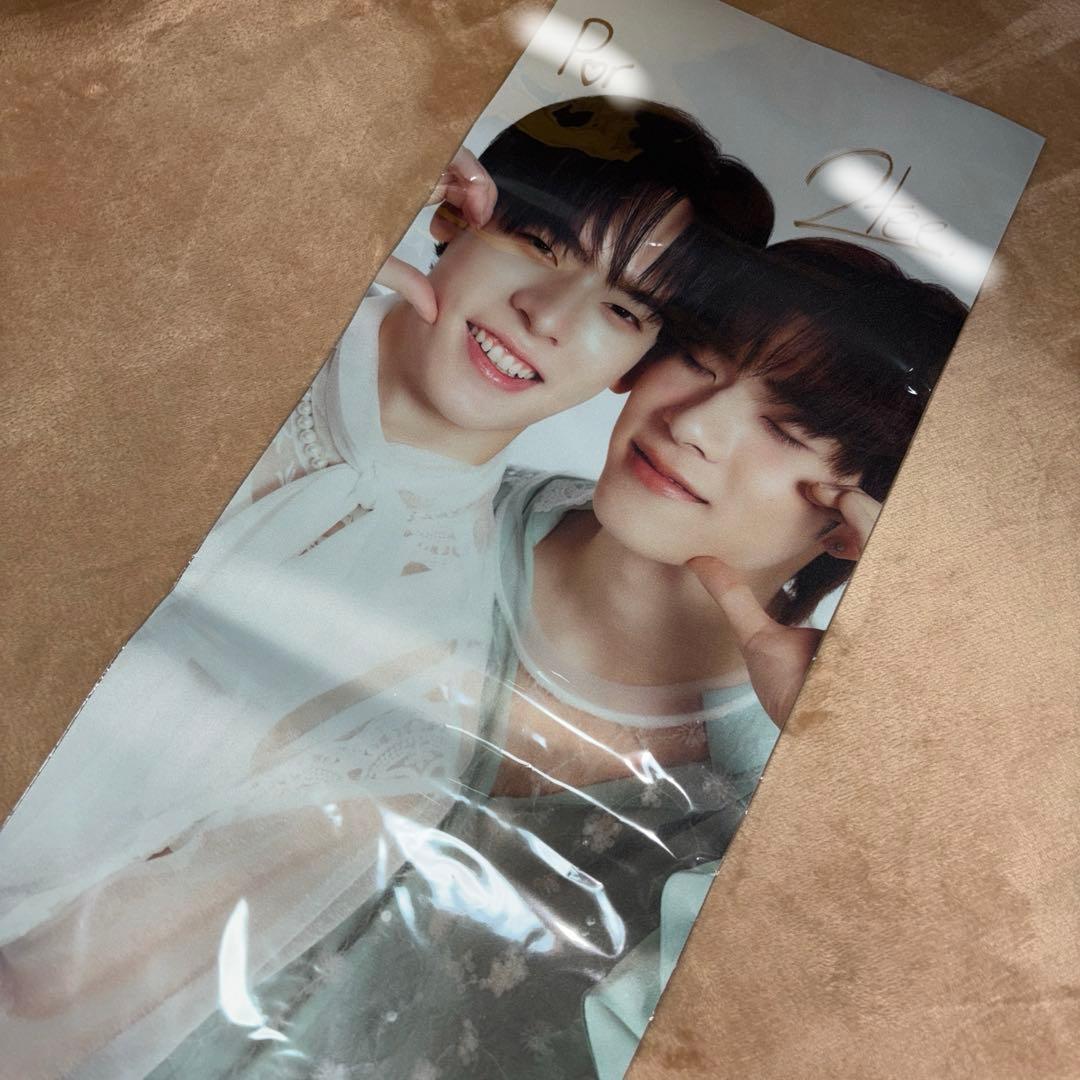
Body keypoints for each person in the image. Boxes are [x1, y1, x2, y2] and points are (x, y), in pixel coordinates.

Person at [0, 97, 773, 1079]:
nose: (547, 316)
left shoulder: (427, 684)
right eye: (538, 243)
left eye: (623, 310)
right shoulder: (189, 320)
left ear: (636, 368)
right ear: (453, 211)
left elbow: (62, 1008)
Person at [137, 238, 966, 1080]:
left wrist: (839, 787)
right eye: (699, 362)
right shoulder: (410, 501)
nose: (693, 425)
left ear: (852, 525)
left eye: (784, 431)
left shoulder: (779, 800)